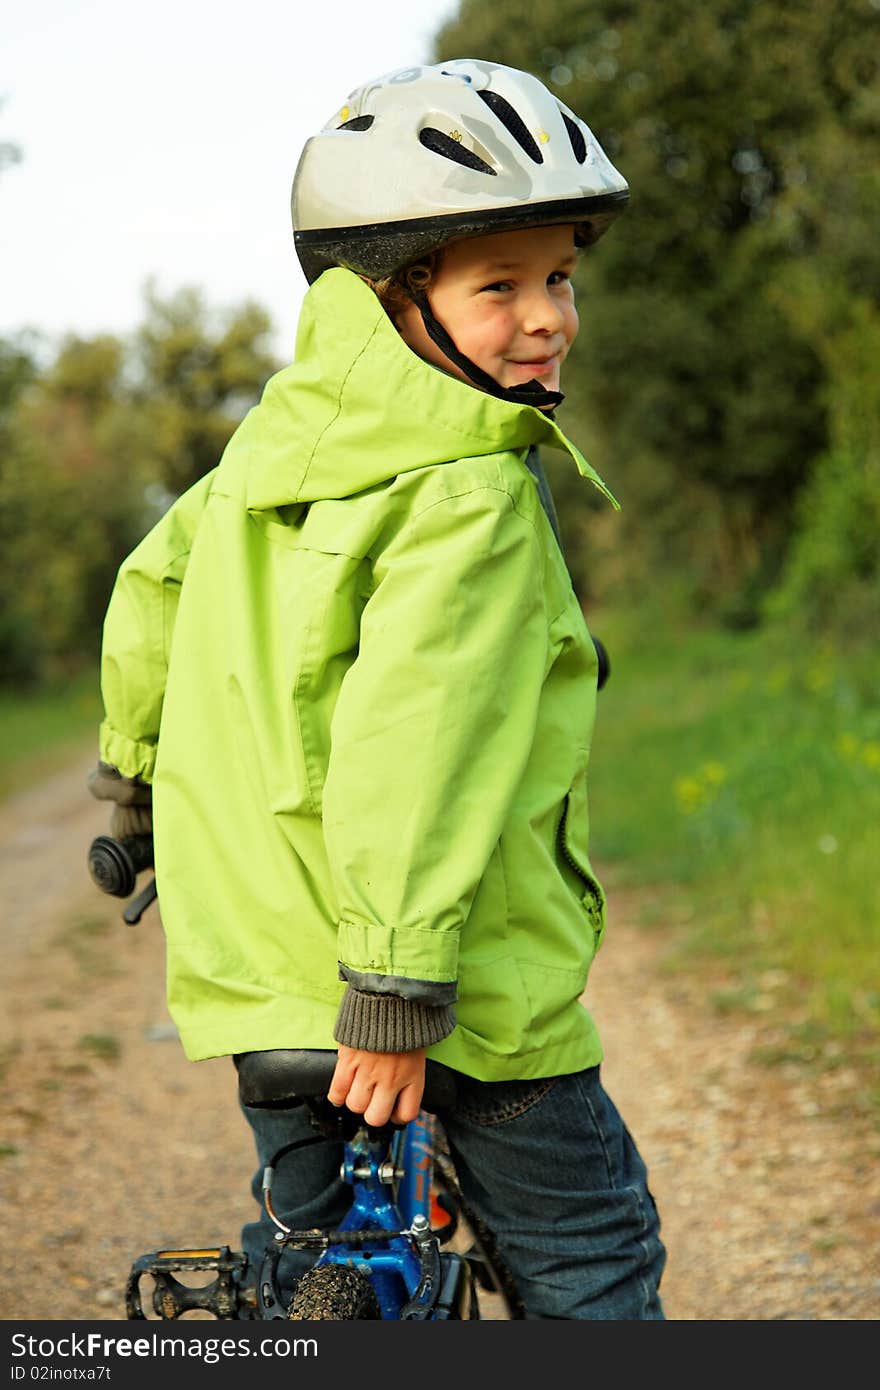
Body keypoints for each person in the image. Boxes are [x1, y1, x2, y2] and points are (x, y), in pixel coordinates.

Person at [89, 58, 666, 1319]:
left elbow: (150, 595)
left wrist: (127, 784)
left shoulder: (262, 453)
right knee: (595, 1254)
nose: (548, 316)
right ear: (395, 301)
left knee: (307, 1256)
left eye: (559, 277)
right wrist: (395, 992)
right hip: (441, 993)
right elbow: (424, 743)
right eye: (498, 283)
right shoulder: (473, 492)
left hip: (259, 977)